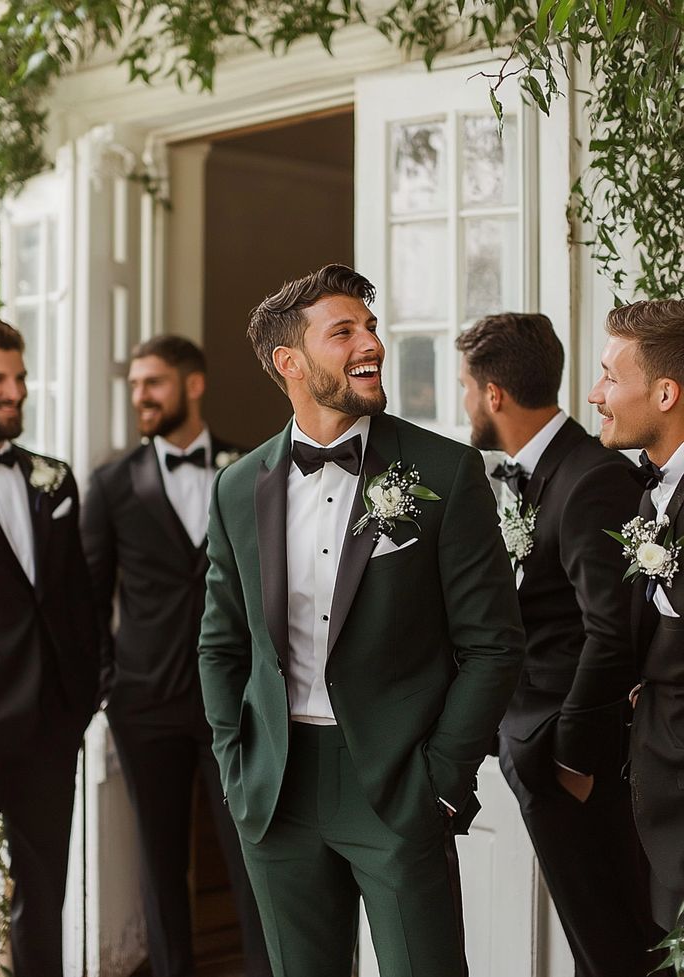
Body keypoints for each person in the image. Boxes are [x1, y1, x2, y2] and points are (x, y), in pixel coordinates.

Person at [198, 264, 525, 977]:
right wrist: (235, 764)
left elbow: (494, 645)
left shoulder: (444, 468)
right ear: (290, 361)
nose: (369, 341)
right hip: (277, 787)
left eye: (370, 326)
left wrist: (440, 780)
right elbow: (221, 645)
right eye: (343, 331)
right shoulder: (235, 486)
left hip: (397, 781)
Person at [456, 312, 660, 976]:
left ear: (493, 394)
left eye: (464, 387)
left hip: (575, 762)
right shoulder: (536, 473)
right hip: (537, 748)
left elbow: (613, 629)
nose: (463, 403)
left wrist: (571, 756)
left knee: (613, 944)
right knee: (591, 940)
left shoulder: (590, 477)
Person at [81, 335, 270, 977]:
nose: (139, 396)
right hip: (146, 704)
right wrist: (111, 684)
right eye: (134, 385)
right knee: (159, 862)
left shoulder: (253, 468)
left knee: (251, 852)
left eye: (152, 383)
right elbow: (89, 593)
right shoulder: (109, 483)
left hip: (237, 704)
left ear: (193, 385)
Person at [0, 316, 98, 977]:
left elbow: (76, 600)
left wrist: (84, 695)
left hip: (49, 722)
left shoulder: (53, 478)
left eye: (21, 377)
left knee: (46, 893)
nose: (16, 391)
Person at [588, 299, 684, 931]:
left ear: (666, 392)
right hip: (656, 788)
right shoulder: (648, 489)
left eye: (611, 377)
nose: (596, 394)